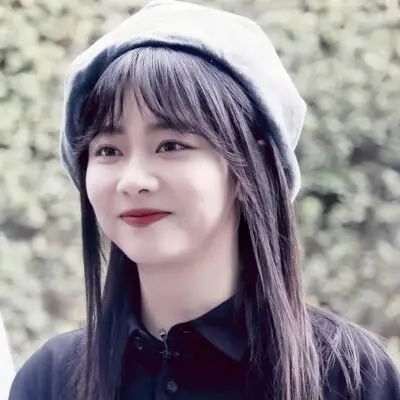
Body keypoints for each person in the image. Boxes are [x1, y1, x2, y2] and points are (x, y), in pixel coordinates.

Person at [8, 0, 400, 399]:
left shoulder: (348, 377)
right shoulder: (51, 380)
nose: (133, 181)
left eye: (171, 145)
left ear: (251, 167)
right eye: (108, 150)